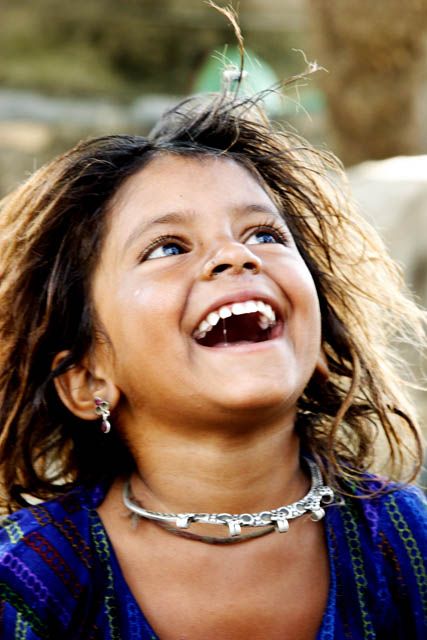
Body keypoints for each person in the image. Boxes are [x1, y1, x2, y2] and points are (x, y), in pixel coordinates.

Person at [0, 84, 426, 640]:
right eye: (168, 247)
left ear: (321, 344)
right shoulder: (30, 578)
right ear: (85, 379)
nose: (235, 255)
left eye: (265, 234)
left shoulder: (408, 548)